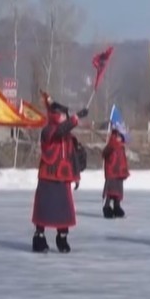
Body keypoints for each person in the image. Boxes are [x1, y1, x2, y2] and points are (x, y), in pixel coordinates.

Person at [32, 100, 87, 253]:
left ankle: (62, 238)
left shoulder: (68, 137)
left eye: (65, 115)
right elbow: (59, 131)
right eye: (61, 114)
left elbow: (72, 157)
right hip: (48, 177)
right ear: (55, 115)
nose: (64, 117)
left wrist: (76, 176)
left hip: (63, 178)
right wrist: (76, 118)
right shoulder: (48, 131)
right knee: (44, 210)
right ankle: (39, 237)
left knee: (64, 211)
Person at [101, 122, 130, 219]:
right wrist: (112, 145)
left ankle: (117, 207)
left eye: (120, 137)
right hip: (112, 172)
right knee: (110, 192)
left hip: (119, 173)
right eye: (118, 136)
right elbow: (104, 154)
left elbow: (123, 160)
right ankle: (106, 207)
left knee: (118, 192)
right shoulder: (111, 145)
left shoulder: (121, 147)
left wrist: (125, 170)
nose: (119, 138)